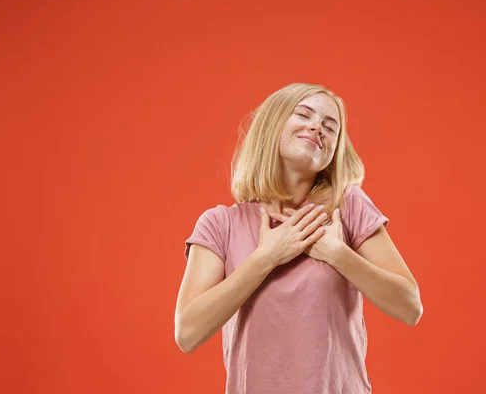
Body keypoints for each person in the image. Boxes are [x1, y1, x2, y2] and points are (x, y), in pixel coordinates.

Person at [174, 82, 423, 394]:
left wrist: (338, 254)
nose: (317, 127)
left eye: (330, 127)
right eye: (304, 114)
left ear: (334, 152)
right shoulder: (221, 224)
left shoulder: (346, 207)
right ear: (272, 125)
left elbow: (410, 307)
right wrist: (266, 258)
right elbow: (188, 333)